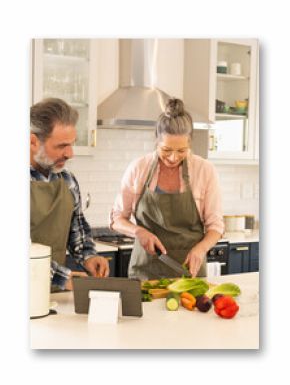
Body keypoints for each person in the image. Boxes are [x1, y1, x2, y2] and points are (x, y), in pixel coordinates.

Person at [110, 98, 224, 280]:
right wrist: (139, 231)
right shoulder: (138, 168)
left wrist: (200, 249)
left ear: (190, 143)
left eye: (181, 151)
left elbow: (216, 226)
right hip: (145, 271)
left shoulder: (205, 170)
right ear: (156, 140)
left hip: (190, 273)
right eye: (166, 149)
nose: (173, 157)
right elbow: (117, 219)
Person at [30, 98, 109, 290]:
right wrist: (61, 277)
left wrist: (89, 255)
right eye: (61, 146)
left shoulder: (67, 179)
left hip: (53, 294)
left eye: (72, 144)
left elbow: (78, 225)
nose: (70, 154)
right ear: (32, 141)